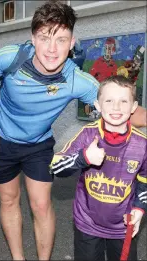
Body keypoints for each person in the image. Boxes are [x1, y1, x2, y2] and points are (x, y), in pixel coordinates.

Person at [0, 2, 146, 260]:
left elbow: (122, 107)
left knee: (41, 205)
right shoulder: (10, 57)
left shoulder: (77, 80)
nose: (52, 49)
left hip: (39, 145)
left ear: (71, 42)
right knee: (9, 201)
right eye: (45, 38)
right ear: (33, 39)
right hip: (0, 141)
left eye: (61, 39)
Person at [50, 75, 147, 261]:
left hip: (122, 227)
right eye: (109, 100)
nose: (116, 107)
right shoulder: (87, 135)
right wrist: (83, 157)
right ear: (98, 105)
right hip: (87, 224)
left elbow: (144, 180)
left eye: (123, 101)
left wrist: (139, 208)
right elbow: (55, 167)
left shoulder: (141, 144)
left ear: (134, 107)